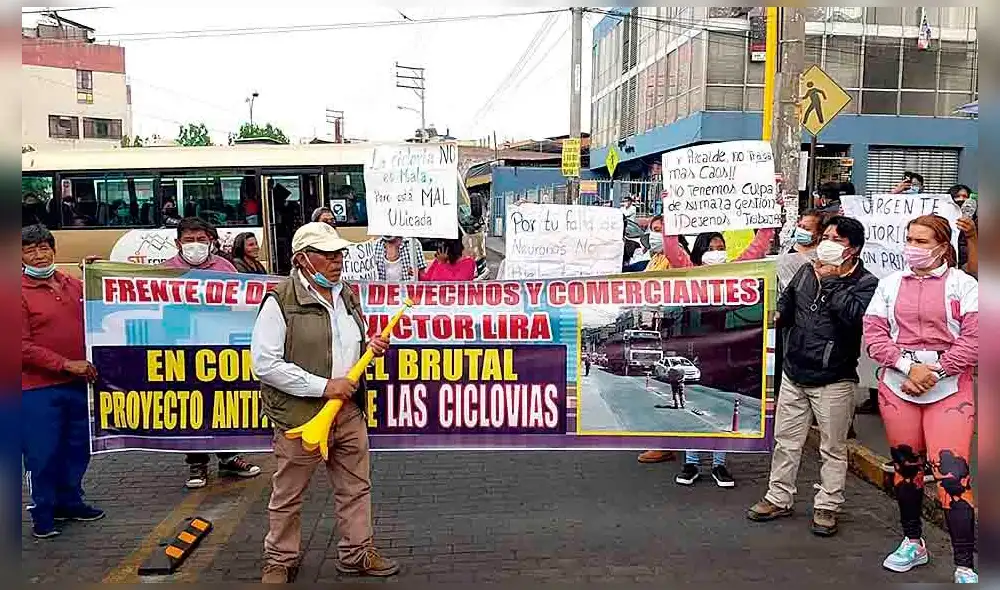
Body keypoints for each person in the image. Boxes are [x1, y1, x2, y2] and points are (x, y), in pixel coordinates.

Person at [252, 222, 399, 581]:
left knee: (355, 487)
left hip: (347, 413)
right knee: (288, 493)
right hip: (300, 417)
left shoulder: (346, 294)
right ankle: (280, 559)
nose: (337, 261)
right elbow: (265, 364)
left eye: (339, 254)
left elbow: (351, 343)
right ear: (303, 259)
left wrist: (370, 348)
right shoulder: (280, 300)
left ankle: (357, 552)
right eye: (327, 255)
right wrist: (323, 387)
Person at [863, 214, 978, 584]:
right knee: (907, 469)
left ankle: (964, 562)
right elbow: (874, 334)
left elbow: (977, 337)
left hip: (949, 388)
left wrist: (938, 371)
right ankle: (913, 542)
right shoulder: (889, 284)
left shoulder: (965, 285)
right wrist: (907, 367)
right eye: (909, 238)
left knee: (953, 474)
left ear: (943, 247)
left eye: (921, 241)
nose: (911, 247)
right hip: (900, 385)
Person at [747, 216, 878, 537]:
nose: (828, 244)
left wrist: (831, 281)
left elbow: (853, 318)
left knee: (833, 447)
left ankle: (828, 505)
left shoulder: (866, 283)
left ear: (853, 250)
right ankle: (778, 497)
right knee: (786, 442)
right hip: (794, 372)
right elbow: (787, 304)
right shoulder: (806, 271)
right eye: (827, 237)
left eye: (837, 240)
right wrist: (773, 316)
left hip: (834, 378)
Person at [638, 226, 776, 479]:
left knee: (722, 408)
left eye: (721, 248)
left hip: (725, 351)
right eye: (711, 249)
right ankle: (691, 463)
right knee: (691, 400)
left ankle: (718, 464)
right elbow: (672, 249)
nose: (716, 253)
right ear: (700, 252)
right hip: (696, 351)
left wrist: (769, 217)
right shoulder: (689, 270)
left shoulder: (736, 271)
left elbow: (758, 248)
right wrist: (672, 215)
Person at [162, 217, 261, 488]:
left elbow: (243, 302)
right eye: (189, 240)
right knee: (190, 405)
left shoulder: (225, 267)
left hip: (220, 347)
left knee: (222, 402)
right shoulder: (165, 271)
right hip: (181, 349)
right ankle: (197, 464)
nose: (195, 245)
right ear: (177, 243)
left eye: (202, 240)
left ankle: (229, 457)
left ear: (212, 242)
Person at [21, 225, 105, 538]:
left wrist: (99, 274)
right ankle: (43, 512)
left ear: (54, 251)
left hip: (77, 384)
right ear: (20, 256)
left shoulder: (72, 284)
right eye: (30, 250)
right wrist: (64, 364)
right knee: (42, 453)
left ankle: (71, 501)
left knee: (77, 448)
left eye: (44, 248)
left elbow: (103, 303)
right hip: (35, 389)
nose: (39, 256)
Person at [777, 210, 826, 292]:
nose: (801, 231)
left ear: (819, 232)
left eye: (807, 229)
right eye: (800, 226)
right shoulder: (787, 246)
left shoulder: (823, 253)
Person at [949, 184, 978, 278]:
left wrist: (971, 235)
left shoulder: (977, 223)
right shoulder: (942, 221)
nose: (961, 199)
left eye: (965, 196)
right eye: (957, 196)